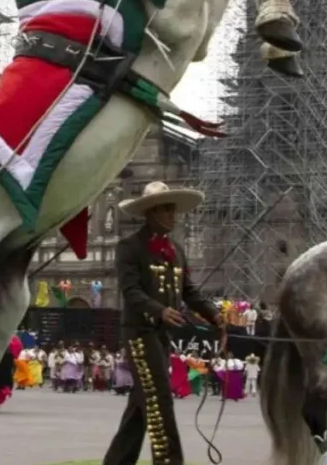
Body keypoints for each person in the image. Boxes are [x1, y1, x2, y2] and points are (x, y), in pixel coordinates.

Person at [103, 181, 224, 465]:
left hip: (160, 336)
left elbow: (189, 291)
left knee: (140, 407)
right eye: (167, 210)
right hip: (139, 334)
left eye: (173, 210)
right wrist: (159, 310)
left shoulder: (176, 250)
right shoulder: (129, 247)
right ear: (152, 212)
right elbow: (130, 291)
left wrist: (212, 313)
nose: (174, 216)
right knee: (159, 402)